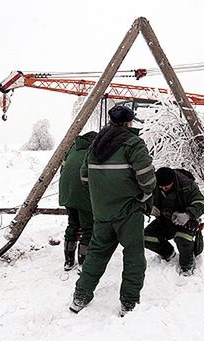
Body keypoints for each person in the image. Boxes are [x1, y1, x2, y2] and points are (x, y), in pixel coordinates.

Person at [69, 105, 156, 317]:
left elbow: (84, 177)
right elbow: (147, 178)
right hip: (128, 212)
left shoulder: (96, 144)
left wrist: (103, 193)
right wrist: (144, 195)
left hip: (101, 213)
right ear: (130, 122)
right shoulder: (133, 143)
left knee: (96, 254)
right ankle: (129, 303)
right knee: (134, 256)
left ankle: (80, 296)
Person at [144, 167, 204, 276]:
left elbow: (201, 204)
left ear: (173, 181)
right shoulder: (151, 184)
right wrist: (148, 207)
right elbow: (138, 199)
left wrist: (188, 214)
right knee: (145, 238)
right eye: (161, 187)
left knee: (182, 239)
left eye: (166, 187)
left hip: (186, 222)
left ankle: (187, 265)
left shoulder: (187, 185)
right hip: (164, 221)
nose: (163, 189)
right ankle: (168, 253)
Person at [58, 131, 97, 271]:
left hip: (67, 192)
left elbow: (63, 169)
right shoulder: (94, 150)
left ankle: (68, 261)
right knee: (88, 228)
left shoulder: (73, 147)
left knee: (72, 225)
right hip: (83, 193)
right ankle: (83, 261)